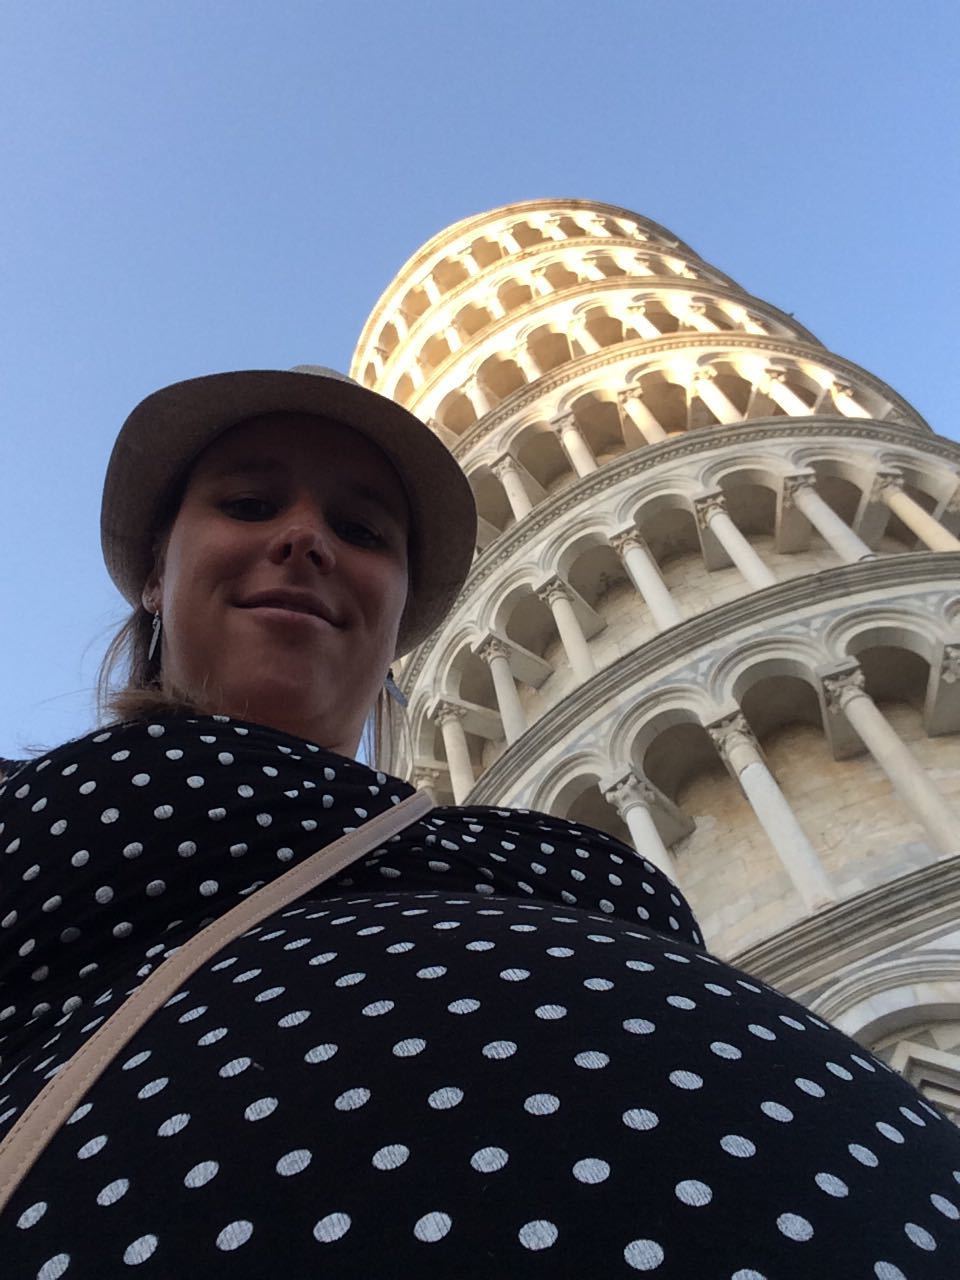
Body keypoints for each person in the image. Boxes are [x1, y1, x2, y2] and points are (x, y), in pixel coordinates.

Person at [1, 366, 958, 1279]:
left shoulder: (497, 839)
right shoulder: (29, 799)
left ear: (398, 622)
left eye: (361, 530)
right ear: (156, 576)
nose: (304, 538)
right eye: (249, 504)